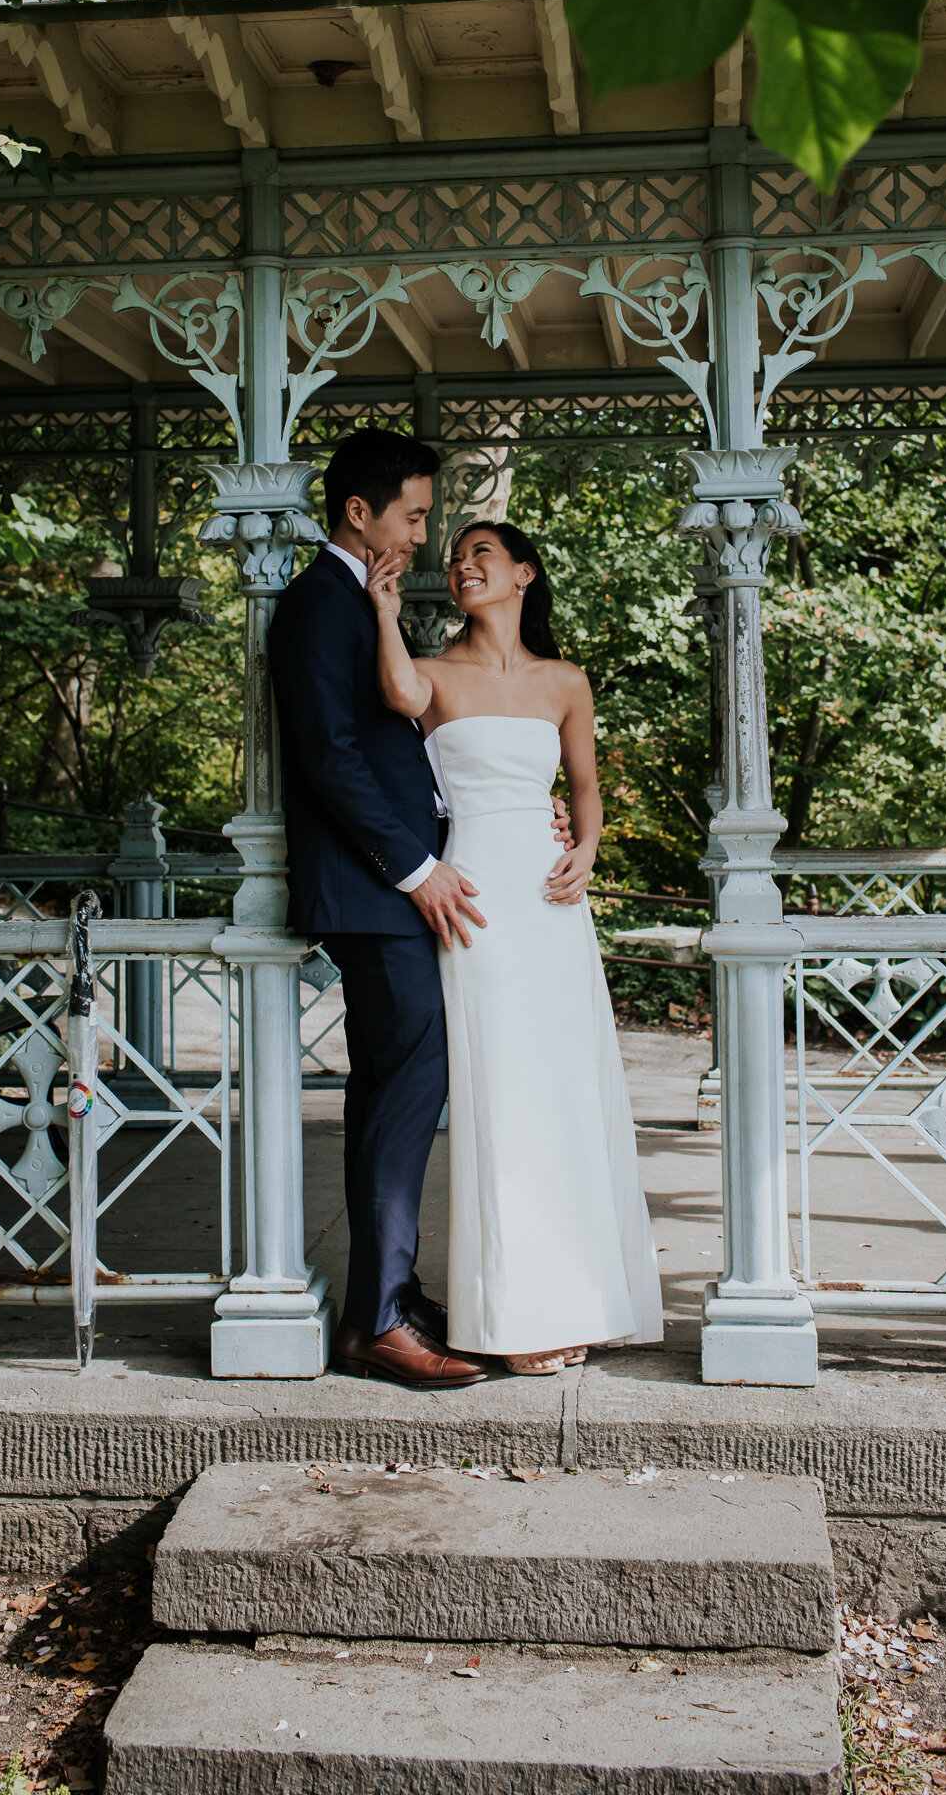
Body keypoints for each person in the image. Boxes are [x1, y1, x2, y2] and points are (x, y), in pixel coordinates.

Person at [268, 429, 568, 1390]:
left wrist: (521, 805)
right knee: (399, 1099)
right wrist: (413, 869)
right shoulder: (319, 603)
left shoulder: (363, 604)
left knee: (404, 1097)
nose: (426, 531)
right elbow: (330, 758)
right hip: (377, 892)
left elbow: (416, 752)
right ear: (362, 514)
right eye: (416, 513)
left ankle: (388, 1295)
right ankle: (377, 1320)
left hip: (409, 884)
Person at [366, 516, 663, 1374]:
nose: (462, 566)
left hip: (549, 900)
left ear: (524, 574)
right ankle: (515, 1319)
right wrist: (386, 609)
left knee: (565, 1093)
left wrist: (588, 850)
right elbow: (396, 698)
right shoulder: (432, 671)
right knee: (501, 1101)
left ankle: (581, 1297)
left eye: (480, 555)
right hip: (476, 900)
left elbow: (586, 787)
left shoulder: (565, 680)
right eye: (455, 558)